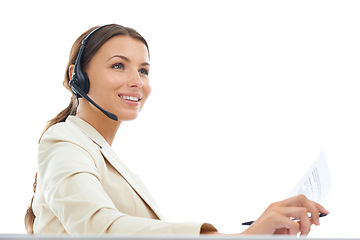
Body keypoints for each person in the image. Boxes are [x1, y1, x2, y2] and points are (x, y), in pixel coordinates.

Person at [25, 24, 329, 236]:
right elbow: (97, 228)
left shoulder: (96, 152)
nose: (137, 81)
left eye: (143, 70)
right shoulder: (63, 140)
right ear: (77, 76)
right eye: (119, 65)